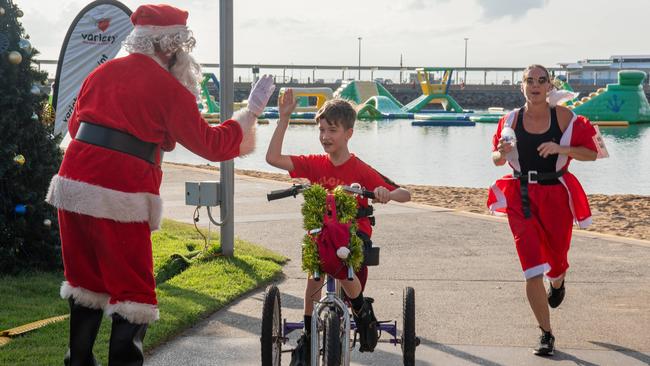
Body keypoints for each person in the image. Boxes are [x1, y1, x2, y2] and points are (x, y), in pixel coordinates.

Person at [45, 4, 275, 365]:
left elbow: (77, 129)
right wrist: (250, 113)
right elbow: (212, 145)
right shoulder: (169, 89)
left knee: (86, 285)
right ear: (171, 47)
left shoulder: (101, 73)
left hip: (72, 187)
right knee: (134, 295)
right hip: (120, 195)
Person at [266, 90, 411, 365]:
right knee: (315, 270)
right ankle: (309, 334)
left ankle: (361, 311)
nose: (325, 136)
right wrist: (284, 118)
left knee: (342, 259)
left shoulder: (359, 168)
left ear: (349, 133)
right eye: (321, 130)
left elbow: (405, 193)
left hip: (353, 232)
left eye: (332, 130)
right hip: (322, 232)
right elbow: (273, 158)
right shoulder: (313, 164)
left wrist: (385, 193)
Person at [487, 64, 598, 356]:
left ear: (549, 86)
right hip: (520, 196)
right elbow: (497, 159)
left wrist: (561, 148)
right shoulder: (509, 120)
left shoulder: (565, 118)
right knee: (532, 268)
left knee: (557, 260)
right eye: (529, 80)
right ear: (521, 86)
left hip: (555, 197)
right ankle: (546, 333)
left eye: (541, 80)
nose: (535, 85)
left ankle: (558, 279)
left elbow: (592, 153)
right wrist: (502, 152)